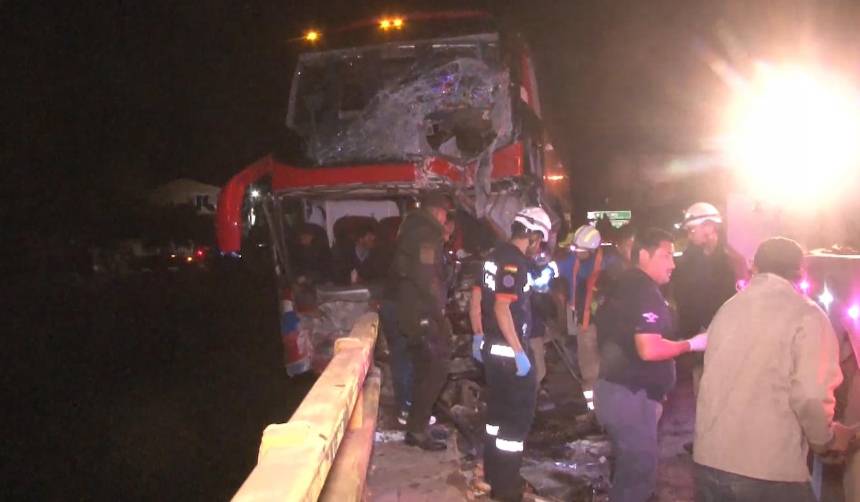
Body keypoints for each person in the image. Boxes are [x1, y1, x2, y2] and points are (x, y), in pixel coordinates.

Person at [693, 237, 855, 502]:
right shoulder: (806, 314)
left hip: (709, 463)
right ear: (801, 271)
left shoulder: (728, 309)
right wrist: (825, 439)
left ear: (754, 268)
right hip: (767, 472)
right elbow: (812, 395)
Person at [593, 227, 707, 502]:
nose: (673, 263)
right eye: (666, 255)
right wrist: (692, 344)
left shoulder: (624, 284)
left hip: (618, 393)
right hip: (631, 399)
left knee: (630, 474)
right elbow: (649, 348)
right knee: (638, 478)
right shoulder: (643, 289)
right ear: (644, 254)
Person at [474, 206, 551, 502]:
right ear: (531, 235)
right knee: (514, 427)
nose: (539, 247)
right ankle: (508, 491)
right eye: (539, 240)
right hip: (510, 354)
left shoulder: (493, 256)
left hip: (493, 352)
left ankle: (494, 476)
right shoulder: (513, 262)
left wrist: (478, 336)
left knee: (496, 419)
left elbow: (478, 297)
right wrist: (520, 353)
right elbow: (501, 307)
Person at [393, 193, 452, 451]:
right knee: (436, 368)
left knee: (423, 370)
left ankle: (418, 426)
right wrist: (440, 313)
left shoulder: (411, 229)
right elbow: (427, 279)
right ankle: (417, 431)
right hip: (422, 312)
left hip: (410, 310)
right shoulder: (427, 234)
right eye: (446, 215)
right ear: (438, 212)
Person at [671, 202, 748, 398]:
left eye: (692, 229)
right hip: (698, 342)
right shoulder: (685, 262)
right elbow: (682, 299)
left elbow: (743, 303)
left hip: (729, 341)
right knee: (704, 396)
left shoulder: (732, 262)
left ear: (709, 227)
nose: (689, 235)